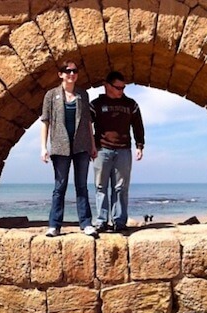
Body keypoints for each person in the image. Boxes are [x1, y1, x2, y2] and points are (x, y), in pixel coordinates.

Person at [40, 60, 98, 237]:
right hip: (60, 146)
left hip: (81, 146)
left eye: (74, 71)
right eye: (67, 71)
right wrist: (43, 147)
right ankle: (54, 225)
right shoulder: (51, 95)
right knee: (60, 186)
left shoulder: (83, 94)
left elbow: (88, 122)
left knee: (82, 186)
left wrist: (93, 145)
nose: (71, 74)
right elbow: (45, 122)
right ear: (60, 74)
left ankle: (86, 223)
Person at [90, 71, 145, 233]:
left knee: (120, 187)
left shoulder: (131, 104)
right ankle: (101, 221)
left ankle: (119, 222)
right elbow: (85, 126)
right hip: (101, 150)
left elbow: (138, 126)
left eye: (123, 88)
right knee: (101, 186)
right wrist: (90, 146)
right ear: (106, 86)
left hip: (124, 150)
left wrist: (140, 146)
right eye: (118, 88)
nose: (121, 91)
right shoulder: (96, 104)